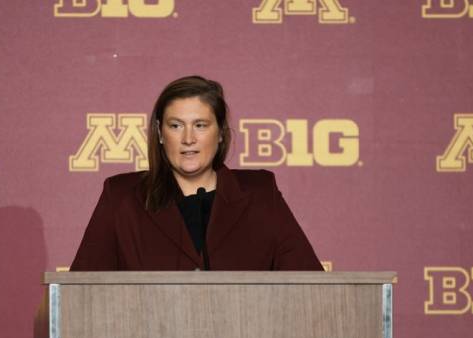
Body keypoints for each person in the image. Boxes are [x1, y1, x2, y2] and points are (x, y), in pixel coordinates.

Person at [70, 75, 322, 271]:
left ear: (221, 132)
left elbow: (311, 286)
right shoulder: (122, 197)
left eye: (200, 125)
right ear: (159, 133)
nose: (188, 138)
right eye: (176, 125)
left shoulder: (261, 193)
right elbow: (80, 295)